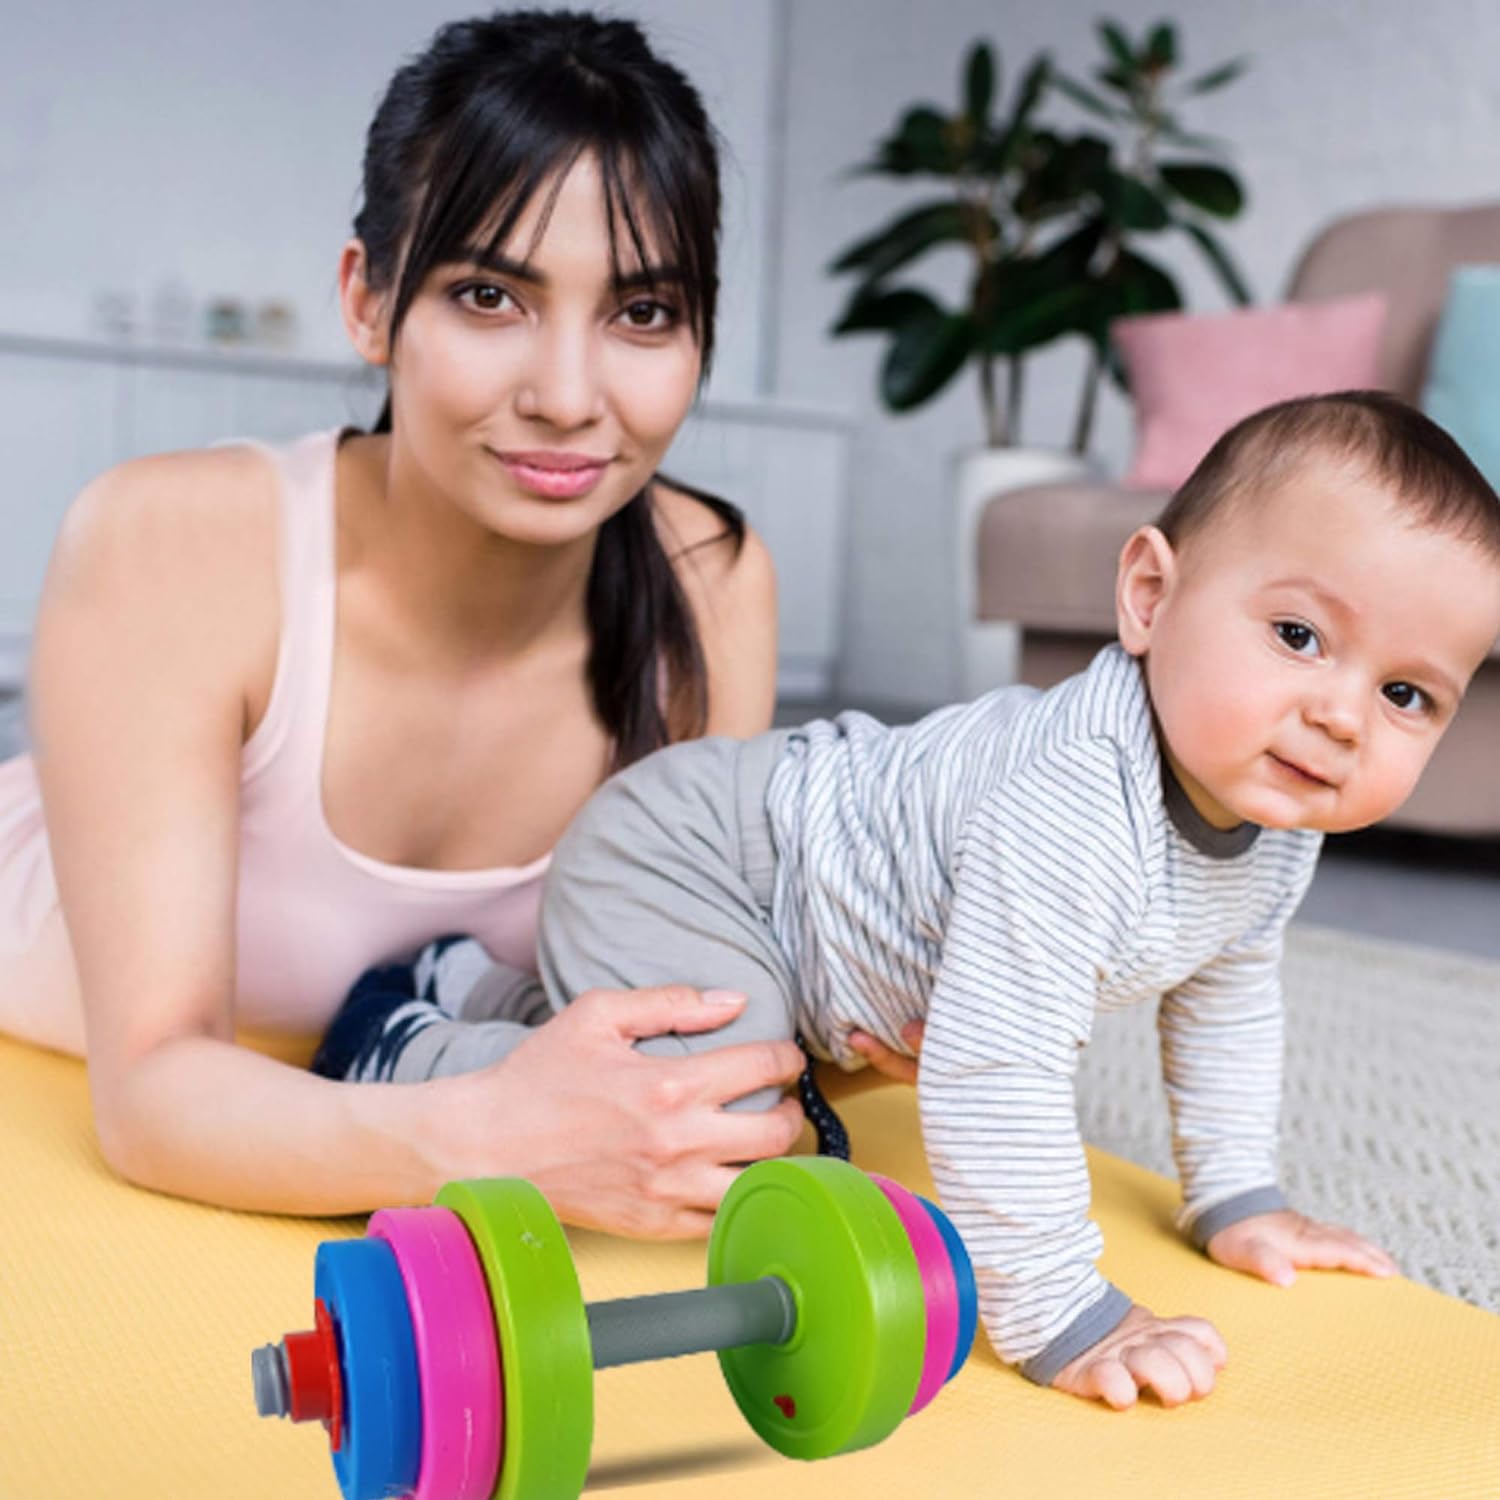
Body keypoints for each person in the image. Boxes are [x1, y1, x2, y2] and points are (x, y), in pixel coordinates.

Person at [321, 391, 1500, 1406]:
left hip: (767, 918)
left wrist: (1238, 1195)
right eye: (1298, 635)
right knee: (728, 1138)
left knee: (730, 1092)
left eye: (1407, 695)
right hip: (696, 858)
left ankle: (477, 985)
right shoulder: (1072, 804)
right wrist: (1062, 1315)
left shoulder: (1277, 821)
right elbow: (997, 1067)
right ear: (1147, 595)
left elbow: (1230, 996)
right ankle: (407, 1045)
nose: (1343, 716)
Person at [0, 9, 842, 1232]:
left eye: (642, 313)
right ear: (369, 300)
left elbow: (670, 1005)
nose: (565, 397)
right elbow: (153, 1094)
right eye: (490, 295)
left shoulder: (711, 582)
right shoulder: (172, 543)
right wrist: (492, 1139)